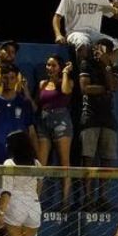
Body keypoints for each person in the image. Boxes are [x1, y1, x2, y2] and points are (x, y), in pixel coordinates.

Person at [79, 37, 118, 209]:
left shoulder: (115, 67)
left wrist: (106, 66)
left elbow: (114, 85)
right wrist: (107, 88)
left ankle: (102, 197)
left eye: (101, 51)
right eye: (96, 49)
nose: (97, 53)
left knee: (107, 160)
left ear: (109, 53)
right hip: (89, 117)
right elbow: (85, 89)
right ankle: (88, 198)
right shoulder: (86, 64)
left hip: (108, 119)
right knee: (88, 159)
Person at [35, 56, 75, 210]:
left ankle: (65, 202)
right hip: (44, 121)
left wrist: (65, 73)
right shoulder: (42, 84)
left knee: (64, 163)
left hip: (61, 122)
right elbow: (38, 104)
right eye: (48, 65)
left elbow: (65, 91)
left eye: (53, 65)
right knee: (41, 164)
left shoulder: (67, 81)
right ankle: (36, 199)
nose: (49, 68)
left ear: (60, 67)